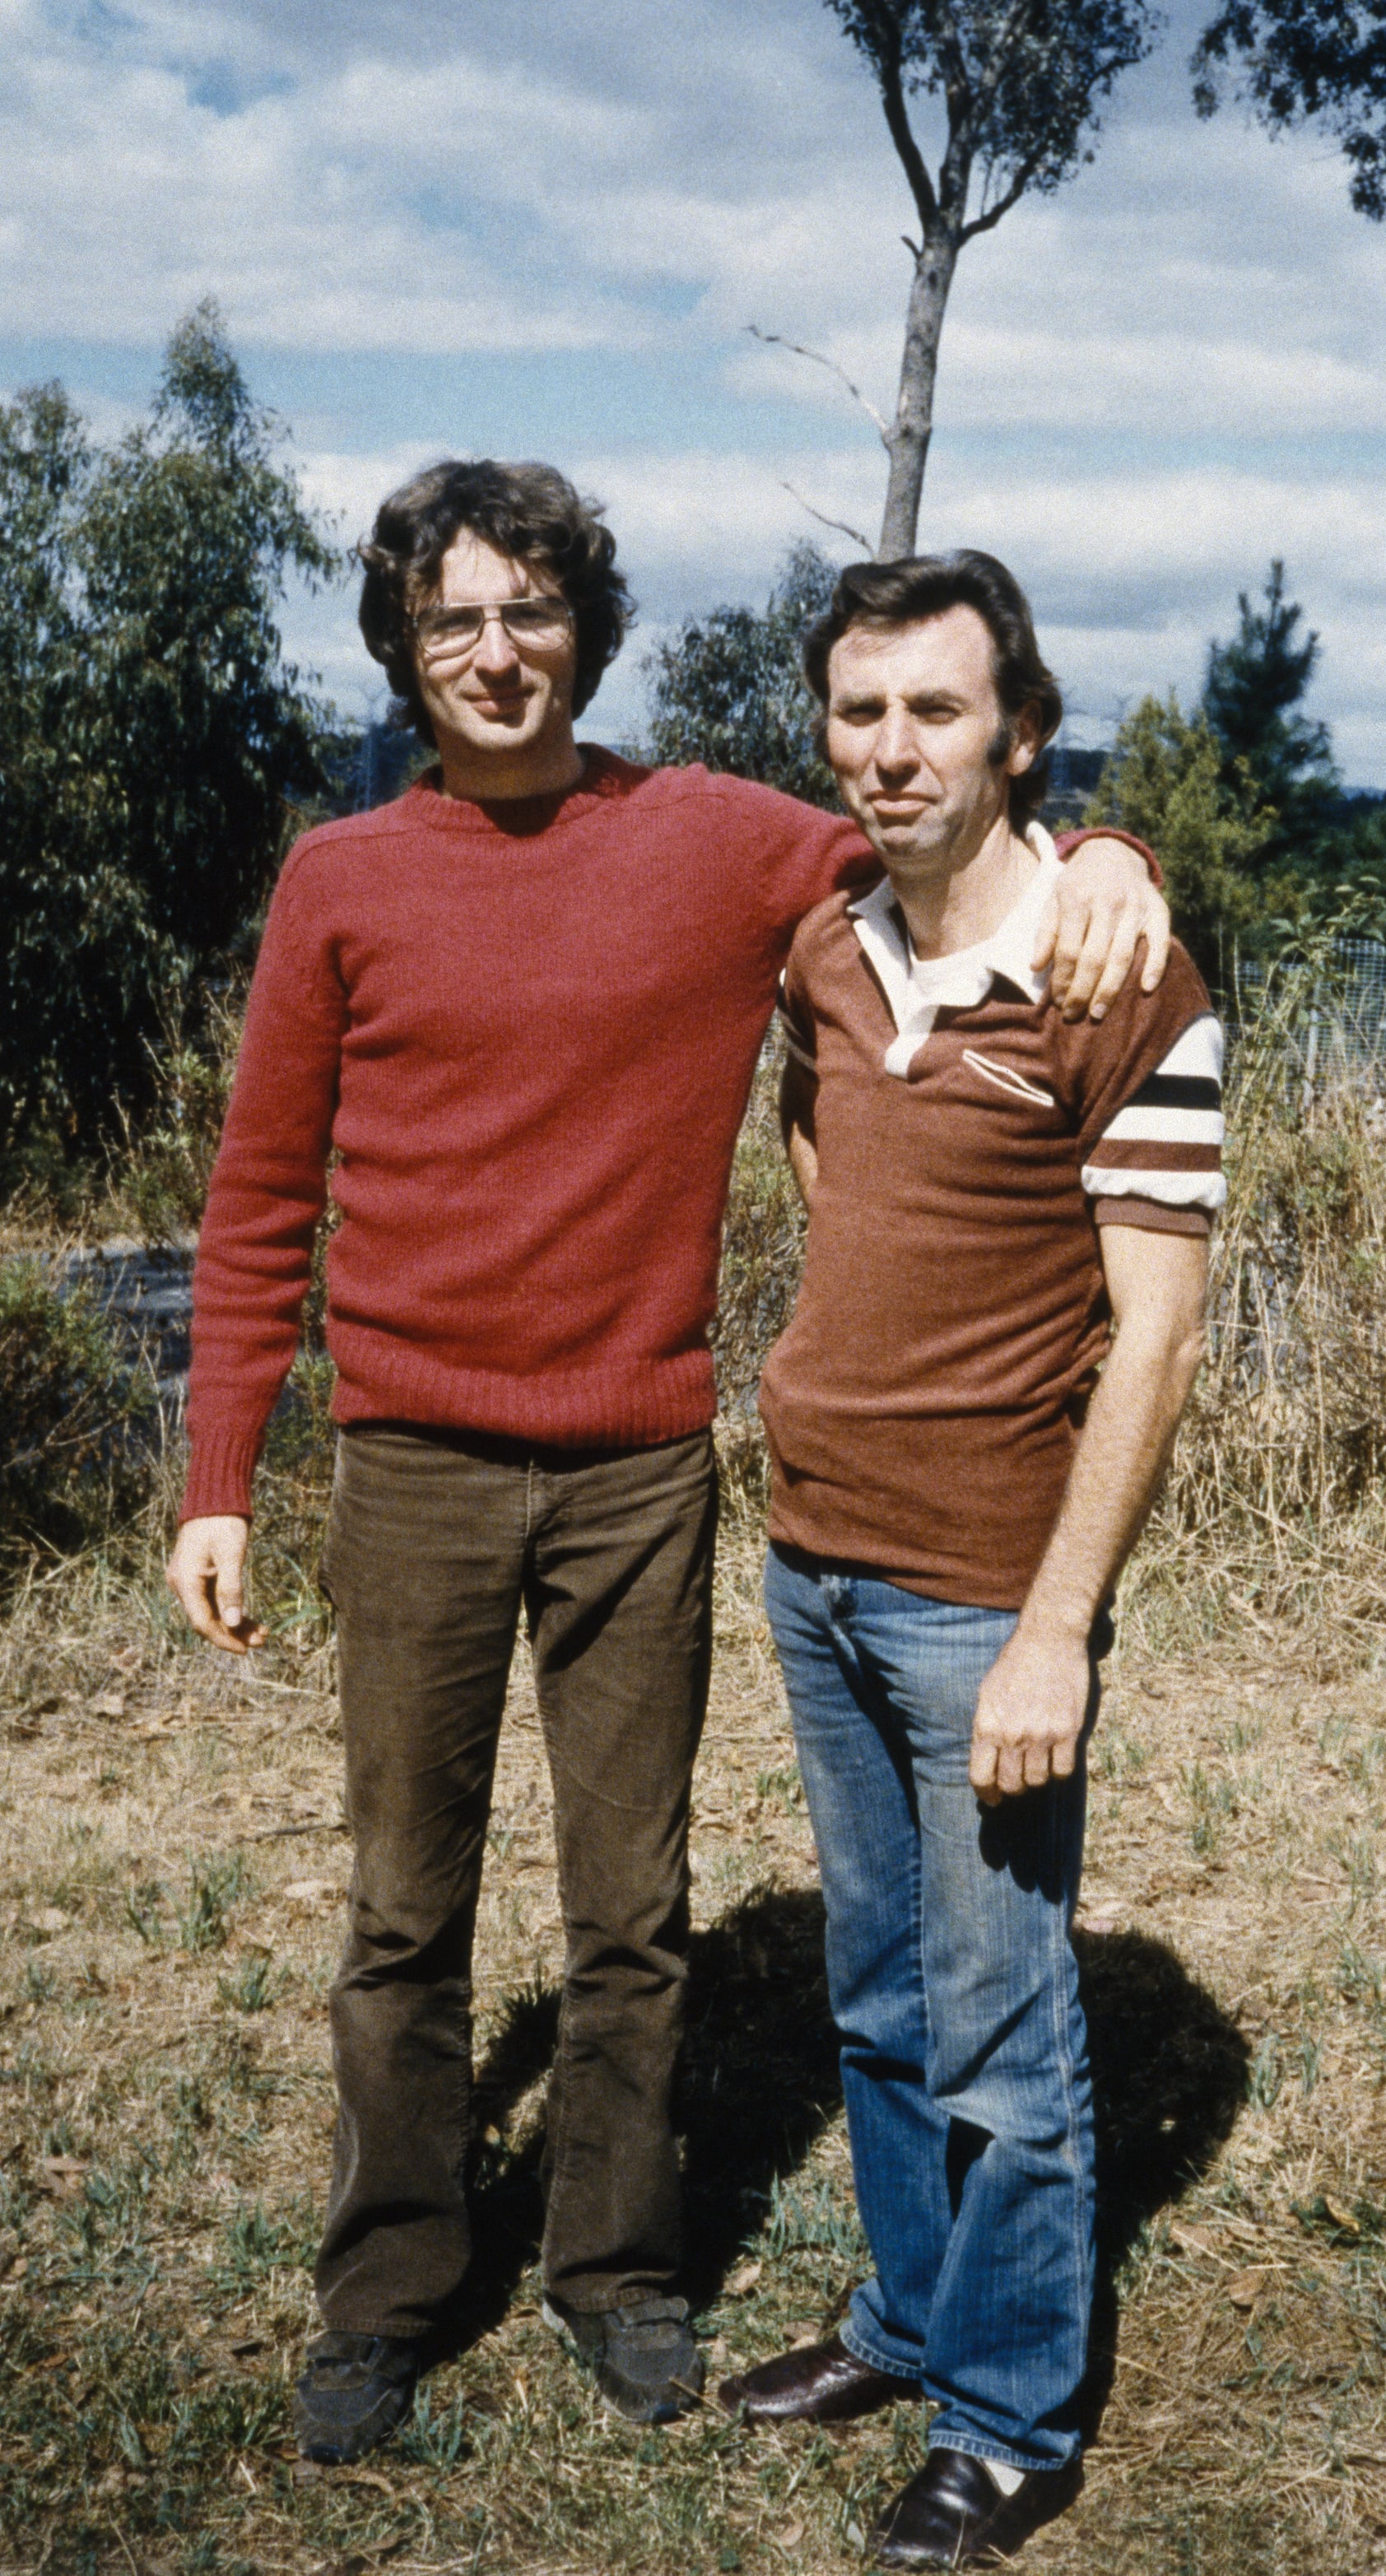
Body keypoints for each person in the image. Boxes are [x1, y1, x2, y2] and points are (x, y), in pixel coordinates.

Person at [163, 459, 1172, 2465]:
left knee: (632, 1912)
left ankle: (617, 2272)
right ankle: (389, 2281)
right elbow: (260, 1193)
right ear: (406, 643)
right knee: (401, 1909)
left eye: (529, 607)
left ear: (580, 631)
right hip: (411, 1463)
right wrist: (215, 1471)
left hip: (639, 1466)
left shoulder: (715, 838)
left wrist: (1111, 845)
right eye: (452, 615)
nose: (493, 648)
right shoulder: (340, 876)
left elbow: (941, 829)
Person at [717, 551, 1221, 2569]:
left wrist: (1056, 1630)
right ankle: (908, 2312)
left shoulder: (1122, 971)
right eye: (860, 712)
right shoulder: (824, 951)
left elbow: (1158, 1329)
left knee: (1005, 2022)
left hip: (980, 1603)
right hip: (813, 1557)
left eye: (936, 710)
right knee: (877, 1983)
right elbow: (828, 1163)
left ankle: (1012, 2415)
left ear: (1020, 727)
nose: (892, 748)